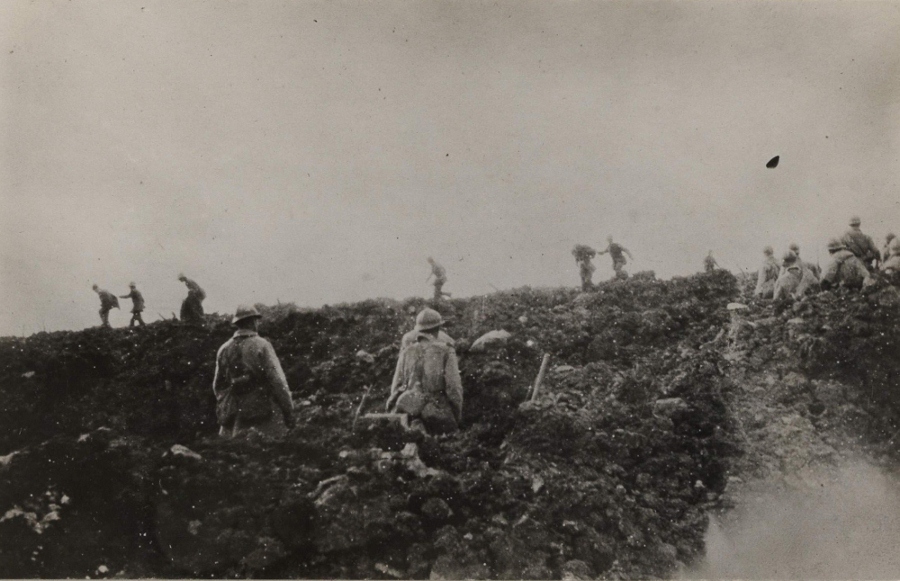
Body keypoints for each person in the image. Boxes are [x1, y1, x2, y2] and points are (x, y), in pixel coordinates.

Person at [212, 305, 294, 439]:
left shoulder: (223, 348)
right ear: (252, 322)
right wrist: (288, 410)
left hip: (232, 419)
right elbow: (278, 382)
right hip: (261, 415)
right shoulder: (262, 345)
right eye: (256, 320)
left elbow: (217, 386)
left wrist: (228, 405)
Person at [386, 308, 463, 435]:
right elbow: (454, 388)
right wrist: (456, 418)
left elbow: (396, 387)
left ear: (418, 331)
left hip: (408, 413)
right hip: (436, 416)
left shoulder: (406, 352)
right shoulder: (446, 351)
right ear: (438, 329)